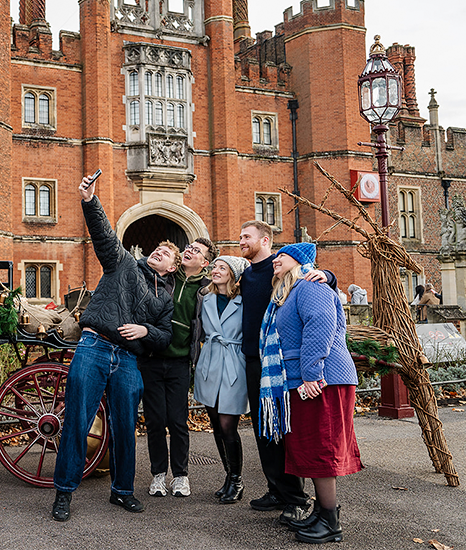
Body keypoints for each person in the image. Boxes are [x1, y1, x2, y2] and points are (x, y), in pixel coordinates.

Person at [51, 173, 177, 522]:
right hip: (94, 346)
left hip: (127, 361)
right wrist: (90, 201)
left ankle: (122, 492)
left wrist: (144, 330)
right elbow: (104, 235)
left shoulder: (164, 301)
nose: (158, 252)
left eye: (166, 252)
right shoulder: (123, 263)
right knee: (77, 420)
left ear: (173, 267)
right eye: (157, 248)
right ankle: (64, 492)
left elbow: (165, 337)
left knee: (124, 427)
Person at [260, 242, 362, 543]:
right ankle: (322, 512)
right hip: (306, 379)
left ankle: (331, 522)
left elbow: (320, 328)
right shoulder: (288, 293)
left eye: (283, 255)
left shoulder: (309, 286)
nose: (276, 259)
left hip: (322, 379)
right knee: (310, 447)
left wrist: (312, 375)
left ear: (300, 260)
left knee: (321, 448)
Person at [239, 220, 335, 525]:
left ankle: (296, 498)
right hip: (256, 361)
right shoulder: (246, 274)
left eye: (246, 236)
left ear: (265, 241)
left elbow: (314, 274)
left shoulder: (279, 268)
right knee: (264, 429)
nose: (241, 240)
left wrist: (330, 276)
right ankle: (276, 489)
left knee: (284, 432)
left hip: (279, 364)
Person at [143, 236, 218, 498]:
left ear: (204, 262)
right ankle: (158, 475)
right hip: (152, 358)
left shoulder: (208, 287)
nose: (189, 251)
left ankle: (181, 476)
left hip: (179, 361)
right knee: (154, 421)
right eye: (188, 248)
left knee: (177, 421)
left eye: (195, 251)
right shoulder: (164, 279)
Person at [192, 255, 251, 504]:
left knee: (228, 425)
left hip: (234, 363)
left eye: (221, 268)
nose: (215, 271)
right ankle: (228, 476)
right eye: (214, 266)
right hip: (210, 362)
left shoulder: (244, 300)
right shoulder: (205, 298)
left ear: (234, 274)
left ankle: (237, 480)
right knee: (215, 423)